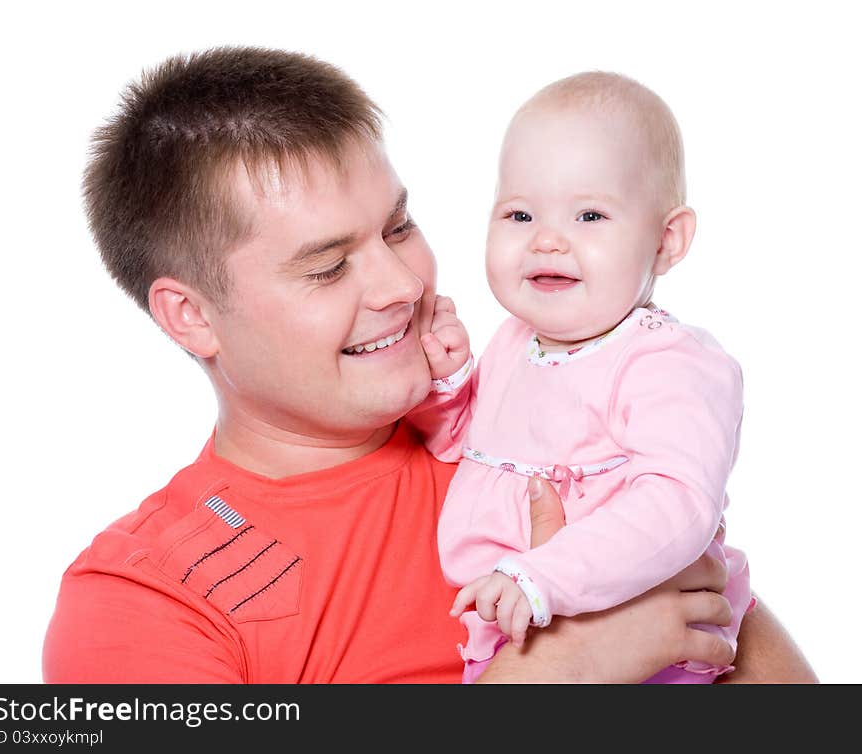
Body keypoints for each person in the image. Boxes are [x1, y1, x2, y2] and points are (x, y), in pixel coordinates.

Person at [42, 47, 815, 683]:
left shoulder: (545, 433)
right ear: (192, 316)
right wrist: (555, 675)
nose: (403, 285)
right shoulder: (140, 599)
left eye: (399, 226)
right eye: (326, 267)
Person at [407, 72, 753, 684]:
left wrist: (547, 577)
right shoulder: (516, 341)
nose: (547, 239)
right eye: (519, 213)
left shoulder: (667, 363)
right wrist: (445, 383)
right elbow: (474, 448)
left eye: (590, 214)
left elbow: (678, 505)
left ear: (667, 241)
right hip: (517, 636)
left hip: (647, 646)